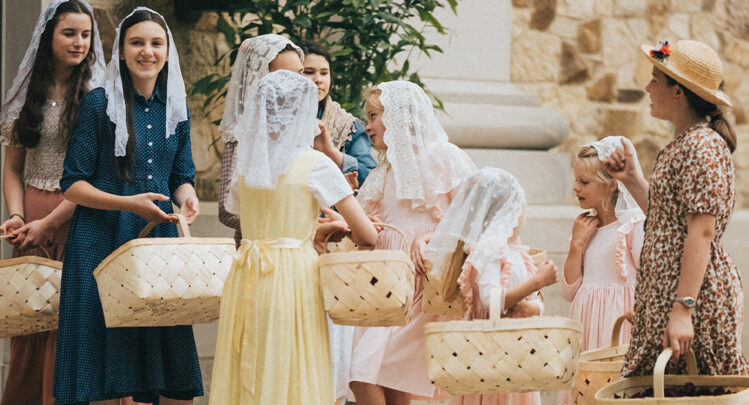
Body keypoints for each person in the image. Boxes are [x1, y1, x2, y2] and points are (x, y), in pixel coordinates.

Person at [54, 8, 203, 404]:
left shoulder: (176, 108)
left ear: (168, 53)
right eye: (137, 42)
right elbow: (72, 184)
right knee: (101, 358)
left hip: (156, 240)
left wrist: (187, 196)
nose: (147, 51)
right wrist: (128, 204)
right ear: (120, 51)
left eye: (156, 44)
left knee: (151, 364)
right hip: (100, 241)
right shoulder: (98, 104)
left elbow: (181, 175)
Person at [208, 69, 377, 405]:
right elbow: (367, 235)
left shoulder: (246, 166)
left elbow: (254, 215)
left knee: (249, 364)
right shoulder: (316, 164)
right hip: (294, 277)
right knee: (292, 364)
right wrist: (333, 226)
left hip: (248, 273)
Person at [603, 39, 748, 376]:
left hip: (691, 301)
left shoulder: (702, 146)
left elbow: (702, 231)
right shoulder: (686, 143)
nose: (647, 87)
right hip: (668, 297)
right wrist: (633, 180)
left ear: (678, 92)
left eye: (656, 79)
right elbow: (669, 222)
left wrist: (683, 309)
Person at [0, 1, 105, 404]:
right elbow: (12, 168)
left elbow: (97, 174)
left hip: (79, 215)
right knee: (31, 320)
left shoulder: (97, 96)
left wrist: (50, 221)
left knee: (73, 323)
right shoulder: (26, 95)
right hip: (30, 217)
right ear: (48, 36)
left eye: (85, 34)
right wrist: (16, 214)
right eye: (69, 33)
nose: (79, 42)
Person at [349, 80, 476, 405]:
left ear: (398, 117)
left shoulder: (445, 157)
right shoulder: (384, 170)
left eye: (374, 116)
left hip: (424, 283)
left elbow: (475, 217)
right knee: (381, 377)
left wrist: (433, 237)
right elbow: (371, 228)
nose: (368, 126)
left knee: (368, 371)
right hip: (384, 283)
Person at [428, 167, 558, 405]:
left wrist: (532, 307)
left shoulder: (517, 252)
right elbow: (491, 302)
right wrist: (537, 281)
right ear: (508, 213)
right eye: (520, 210)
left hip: (518, 355)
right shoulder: (489, 253)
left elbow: (534, 303)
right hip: (491, 355)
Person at [557, 137, 645, 405]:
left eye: (585, 182)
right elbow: (570, 290)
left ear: (612, 183)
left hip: (619, 328)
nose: (576, 188)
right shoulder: (586, 226)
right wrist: (577, 244)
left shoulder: (633, 225)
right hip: (586, 325)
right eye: (576, 180)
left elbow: (648, 277)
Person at [218, 34, 304, 245]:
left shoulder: (308, 129)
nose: (296, 85)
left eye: (301, 75)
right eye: (284, 77)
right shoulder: (242, 135)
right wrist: (280, 223)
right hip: (259, 250)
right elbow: (227, 209)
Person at [297, 40, 377, 190]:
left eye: (324, 73)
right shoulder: (272, 119)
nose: (319, 80)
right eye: (308, 72)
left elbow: (371, 178)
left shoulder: (349, 127)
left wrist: (332, 153)